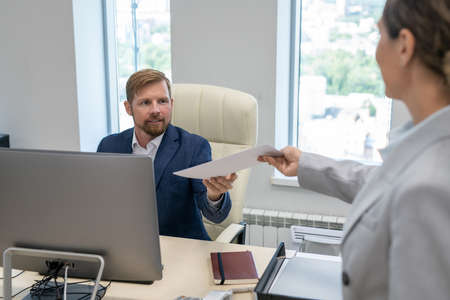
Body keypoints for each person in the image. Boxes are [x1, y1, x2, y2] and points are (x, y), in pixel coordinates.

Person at [259, 0, 450, 299]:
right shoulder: (426, 148)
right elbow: (381, 183)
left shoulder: (429, 187)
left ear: (404, 46)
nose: (375, 53)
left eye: (379, 36)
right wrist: (306, 164)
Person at [97, 69, 237, 240]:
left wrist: (214, 195)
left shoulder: (194, 147)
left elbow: (215, 215)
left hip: (182, 249)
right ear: (128, 108)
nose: (156, 110)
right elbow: (99, 205)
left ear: (171, 103)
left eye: (162, 101)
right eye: (145, 103)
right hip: (127, 245)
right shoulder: (109, 146)